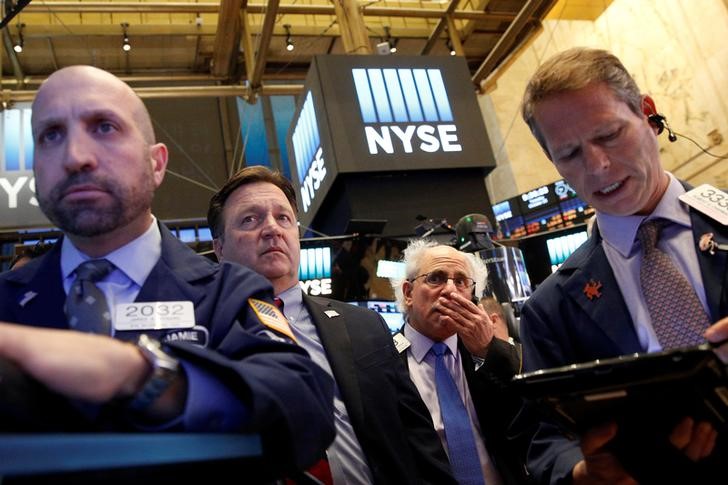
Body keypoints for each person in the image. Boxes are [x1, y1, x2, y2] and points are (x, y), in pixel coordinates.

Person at [0, 65, 334, 479]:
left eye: (104, 127)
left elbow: (304, 411)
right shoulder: (6, 301)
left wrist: (144, 374)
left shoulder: (228, 290)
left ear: (157, 164)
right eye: (51, 135)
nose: (75, 157)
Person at [518, 47, 728, 484]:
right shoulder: (549, 308)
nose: (597, 166)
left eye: (609, 135)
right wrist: (581, 473)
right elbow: (544, 441)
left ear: (648, 114)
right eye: (570, 154)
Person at [207, 166, 456, 485]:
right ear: (220, 248)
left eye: (283, 218)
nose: (272, 229)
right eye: (250, 220)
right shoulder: (202, 337)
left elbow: (418, 441)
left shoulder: (364, 325)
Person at [391, 239, 529, 485]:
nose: (450, 291)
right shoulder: (383, 361)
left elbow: (528, 423)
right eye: (436, 278)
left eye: (461, 282)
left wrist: (490, 352)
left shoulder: (494, 355)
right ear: (408, 293)